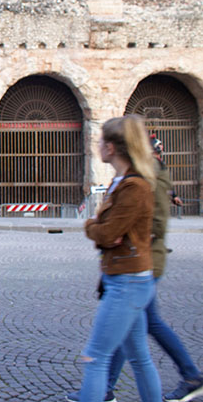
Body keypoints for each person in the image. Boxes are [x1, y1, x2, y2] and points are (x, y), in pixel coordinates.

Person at [101, 137, 203, 402]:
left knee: (139, 322)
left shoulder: (151, 173)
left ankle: (191, 375)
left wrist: (123, 234)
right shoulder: (148, 172)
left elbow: (155, 222)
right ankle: (106, 387)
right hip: (140, 259)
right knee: (135, 324)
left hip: (144, 260)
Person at [68, 115, 161, 402]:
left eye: (100, 141)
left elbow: (107, 233)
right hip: (124, 277)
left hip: (128, 281)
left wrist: (91, 226)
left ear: (111, 147)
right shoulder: (120, 183)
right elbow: (108, 232)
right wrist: (101, 229)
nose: (97, 146)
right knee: (138, 357)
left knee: (95, 357)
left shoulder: (134, 187)